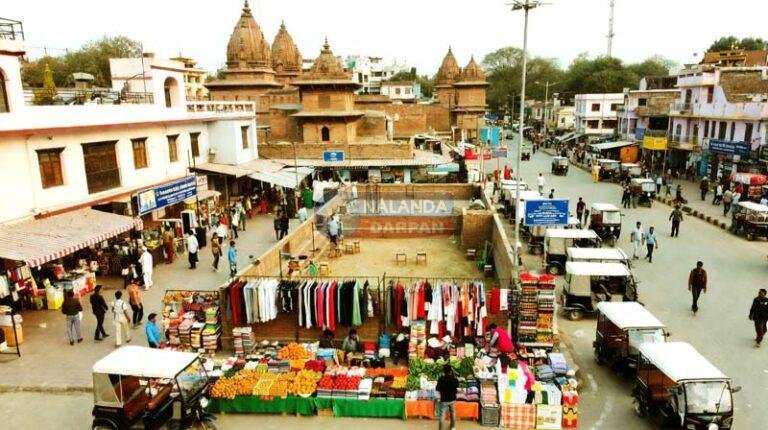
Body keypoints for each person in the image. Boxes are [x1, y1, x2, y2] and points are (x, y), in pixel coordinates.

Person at [436, 364, 459, 430]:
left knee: (442, 415)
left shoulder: (441, 379)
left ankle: (441, 429)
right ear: (451, 371)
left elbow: (437, 388)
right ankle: (452, 427)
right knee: (453, 413)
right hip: (452, 399)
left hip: (444, 399)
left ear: (444, 371)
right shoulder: (454, 379)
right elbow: (457, 386)